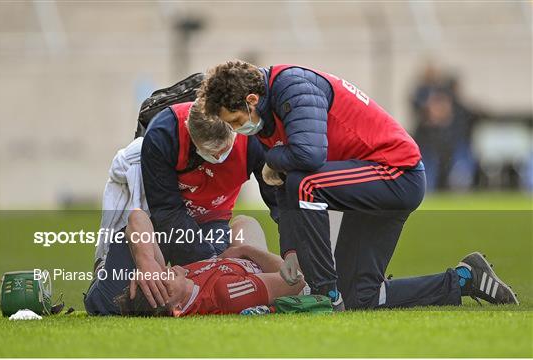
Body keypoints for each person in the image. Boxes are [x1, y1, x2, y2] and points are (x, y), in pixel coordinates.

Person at [196, 60, 519, 310]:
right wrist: (291, 251)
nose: (238, 129)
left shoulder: (293, 85)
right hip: (368, 180)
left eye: (236, 120)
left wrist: (273, 159)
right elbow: (284, 187)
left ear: (252, 99)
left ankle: (324, 293)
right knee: (360, 297)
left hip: (396, 173)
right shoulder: (268, 111)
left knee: (304, 182)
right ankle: (464, 279)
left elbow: (308, 156)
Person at [84, 101, 278, 315]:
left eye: (222, 150)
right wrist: (149, 262)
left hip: (208, 218)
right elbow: (162, 214)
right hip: (160, 215)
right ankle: (107, 265)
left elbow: (280, 200)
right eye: (210, 151)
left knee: (112, 305)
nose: (216, 157)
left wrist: (294, 252)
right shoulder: (164, 134)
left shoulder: (253, 140)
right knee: (108, 303)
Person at [115, 210, 306, 317]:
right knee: (246, 224)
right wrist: (245, 250)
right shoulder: (224, 293)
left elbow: (137, 216)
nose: (164, 272)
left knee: (241, 222)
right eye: (164, 283)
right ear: (178, 308)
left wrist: (146, 262)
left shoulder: (180, 277)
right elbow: (296, 281)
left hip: (233, 261)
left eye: (156, 276)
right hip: (261, 267)